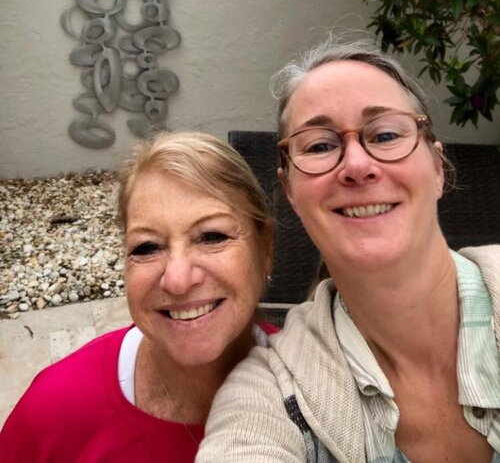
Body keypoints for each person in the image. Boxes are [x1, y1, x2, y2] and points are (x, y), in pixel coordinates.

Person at [197, 37, 500, 463]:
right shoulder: (267, 397)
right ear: (290, 192)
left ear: (436, 168)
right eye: (320, 145)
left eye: (387, 134)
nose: (357, 165)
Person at [0, 131, 275, 462]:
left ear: (265, 249)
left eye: (211, 236)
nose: (177, 279)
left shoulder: (317, 390)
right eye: (147, 247)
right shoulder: (56, 410)